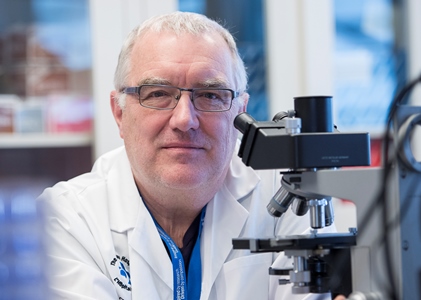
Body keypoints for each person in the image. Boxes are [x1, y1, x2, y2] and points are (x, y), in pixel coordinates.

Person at [38, 11, 341, 300]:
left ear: (240, 113)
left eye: (210, 95)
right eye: (157, 94)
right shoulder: (67, 219)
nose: (185, 120)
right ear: (119, 113)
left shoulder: (290, 192)